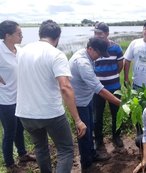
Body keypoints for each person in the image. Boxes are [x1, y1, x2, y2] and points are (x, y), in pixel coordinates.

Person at [15, 20, 87, 173]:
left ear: (40, 34)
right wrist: (78, 120)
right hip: (50, 112)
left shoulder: (22, 51)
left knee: (40, 148)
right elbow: (65, 87)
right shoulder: (56, 54)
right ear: (57, 38)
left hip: (25, 113)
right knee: (66, 149)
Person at [69, 37, 121, 170]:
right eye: (99, 54)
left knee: (90, 128)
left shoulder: (87, 55)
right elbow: (99, 89)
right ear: (90, 49)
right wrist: (118, 102)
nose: (99, 57)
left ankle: (92, 154)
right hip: (80, 103)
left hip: (87, 99)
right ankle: (87, 165)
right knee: (84, 133)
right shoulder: (82, 63)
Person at [0, 20, 36, 172]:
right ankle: (10, 164)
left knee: (20, 128)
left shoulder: (18, 50)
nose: (22, 36)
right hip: (5, 100)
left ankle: (22, 154)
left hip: (20, 97)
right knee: (9, 132)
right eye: (19, 33)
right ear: (7, 35)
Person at [92, 22, 124, 148]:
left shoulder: (116, 48)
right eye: (95, 33)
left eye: (100, 33)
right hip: (97, 89)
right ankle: (98, 139)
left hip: (114, 87)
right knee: (97, 115)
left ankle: (116, 136)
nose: (97, 36)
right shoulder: (93, 47)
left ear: (107, 34)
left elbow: (120, 65)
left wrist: (111, 75)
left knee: (116, 114)